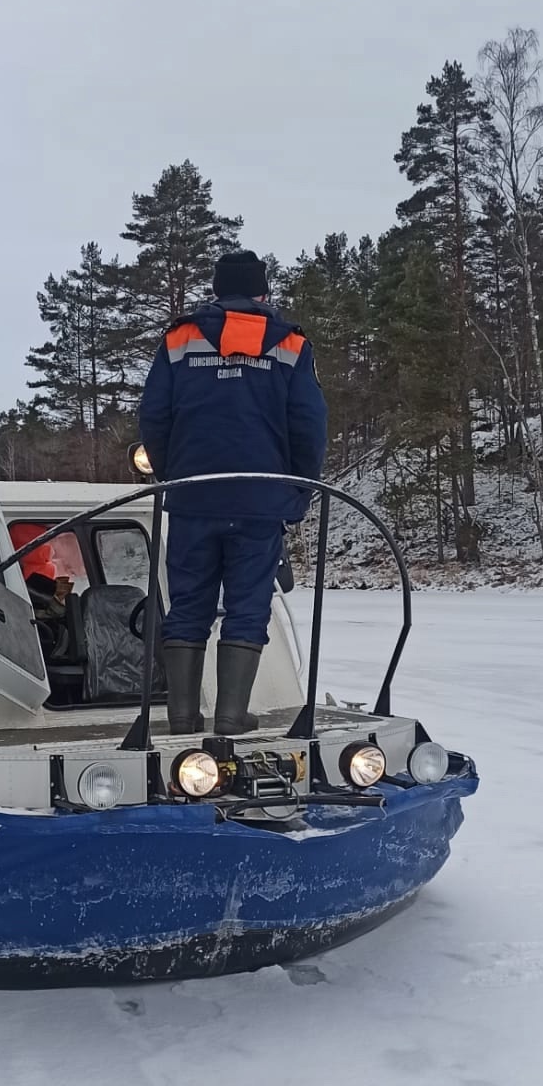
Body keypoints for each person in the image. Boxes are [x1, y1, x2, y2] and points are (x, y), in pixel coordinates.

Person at [138, 249, 327, 735]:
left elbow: (154, 418)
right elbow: (309, 426)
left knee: (187, 604)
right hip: (261, 500)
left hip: (193, 498)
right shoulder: (289, 345)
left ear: (217, 292)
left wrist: (171, 474)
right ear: (263, 293)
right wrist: (298, 491)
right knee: (248, 604)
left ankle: (181, 716)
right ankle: (229, 716)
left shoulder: (179, 340)